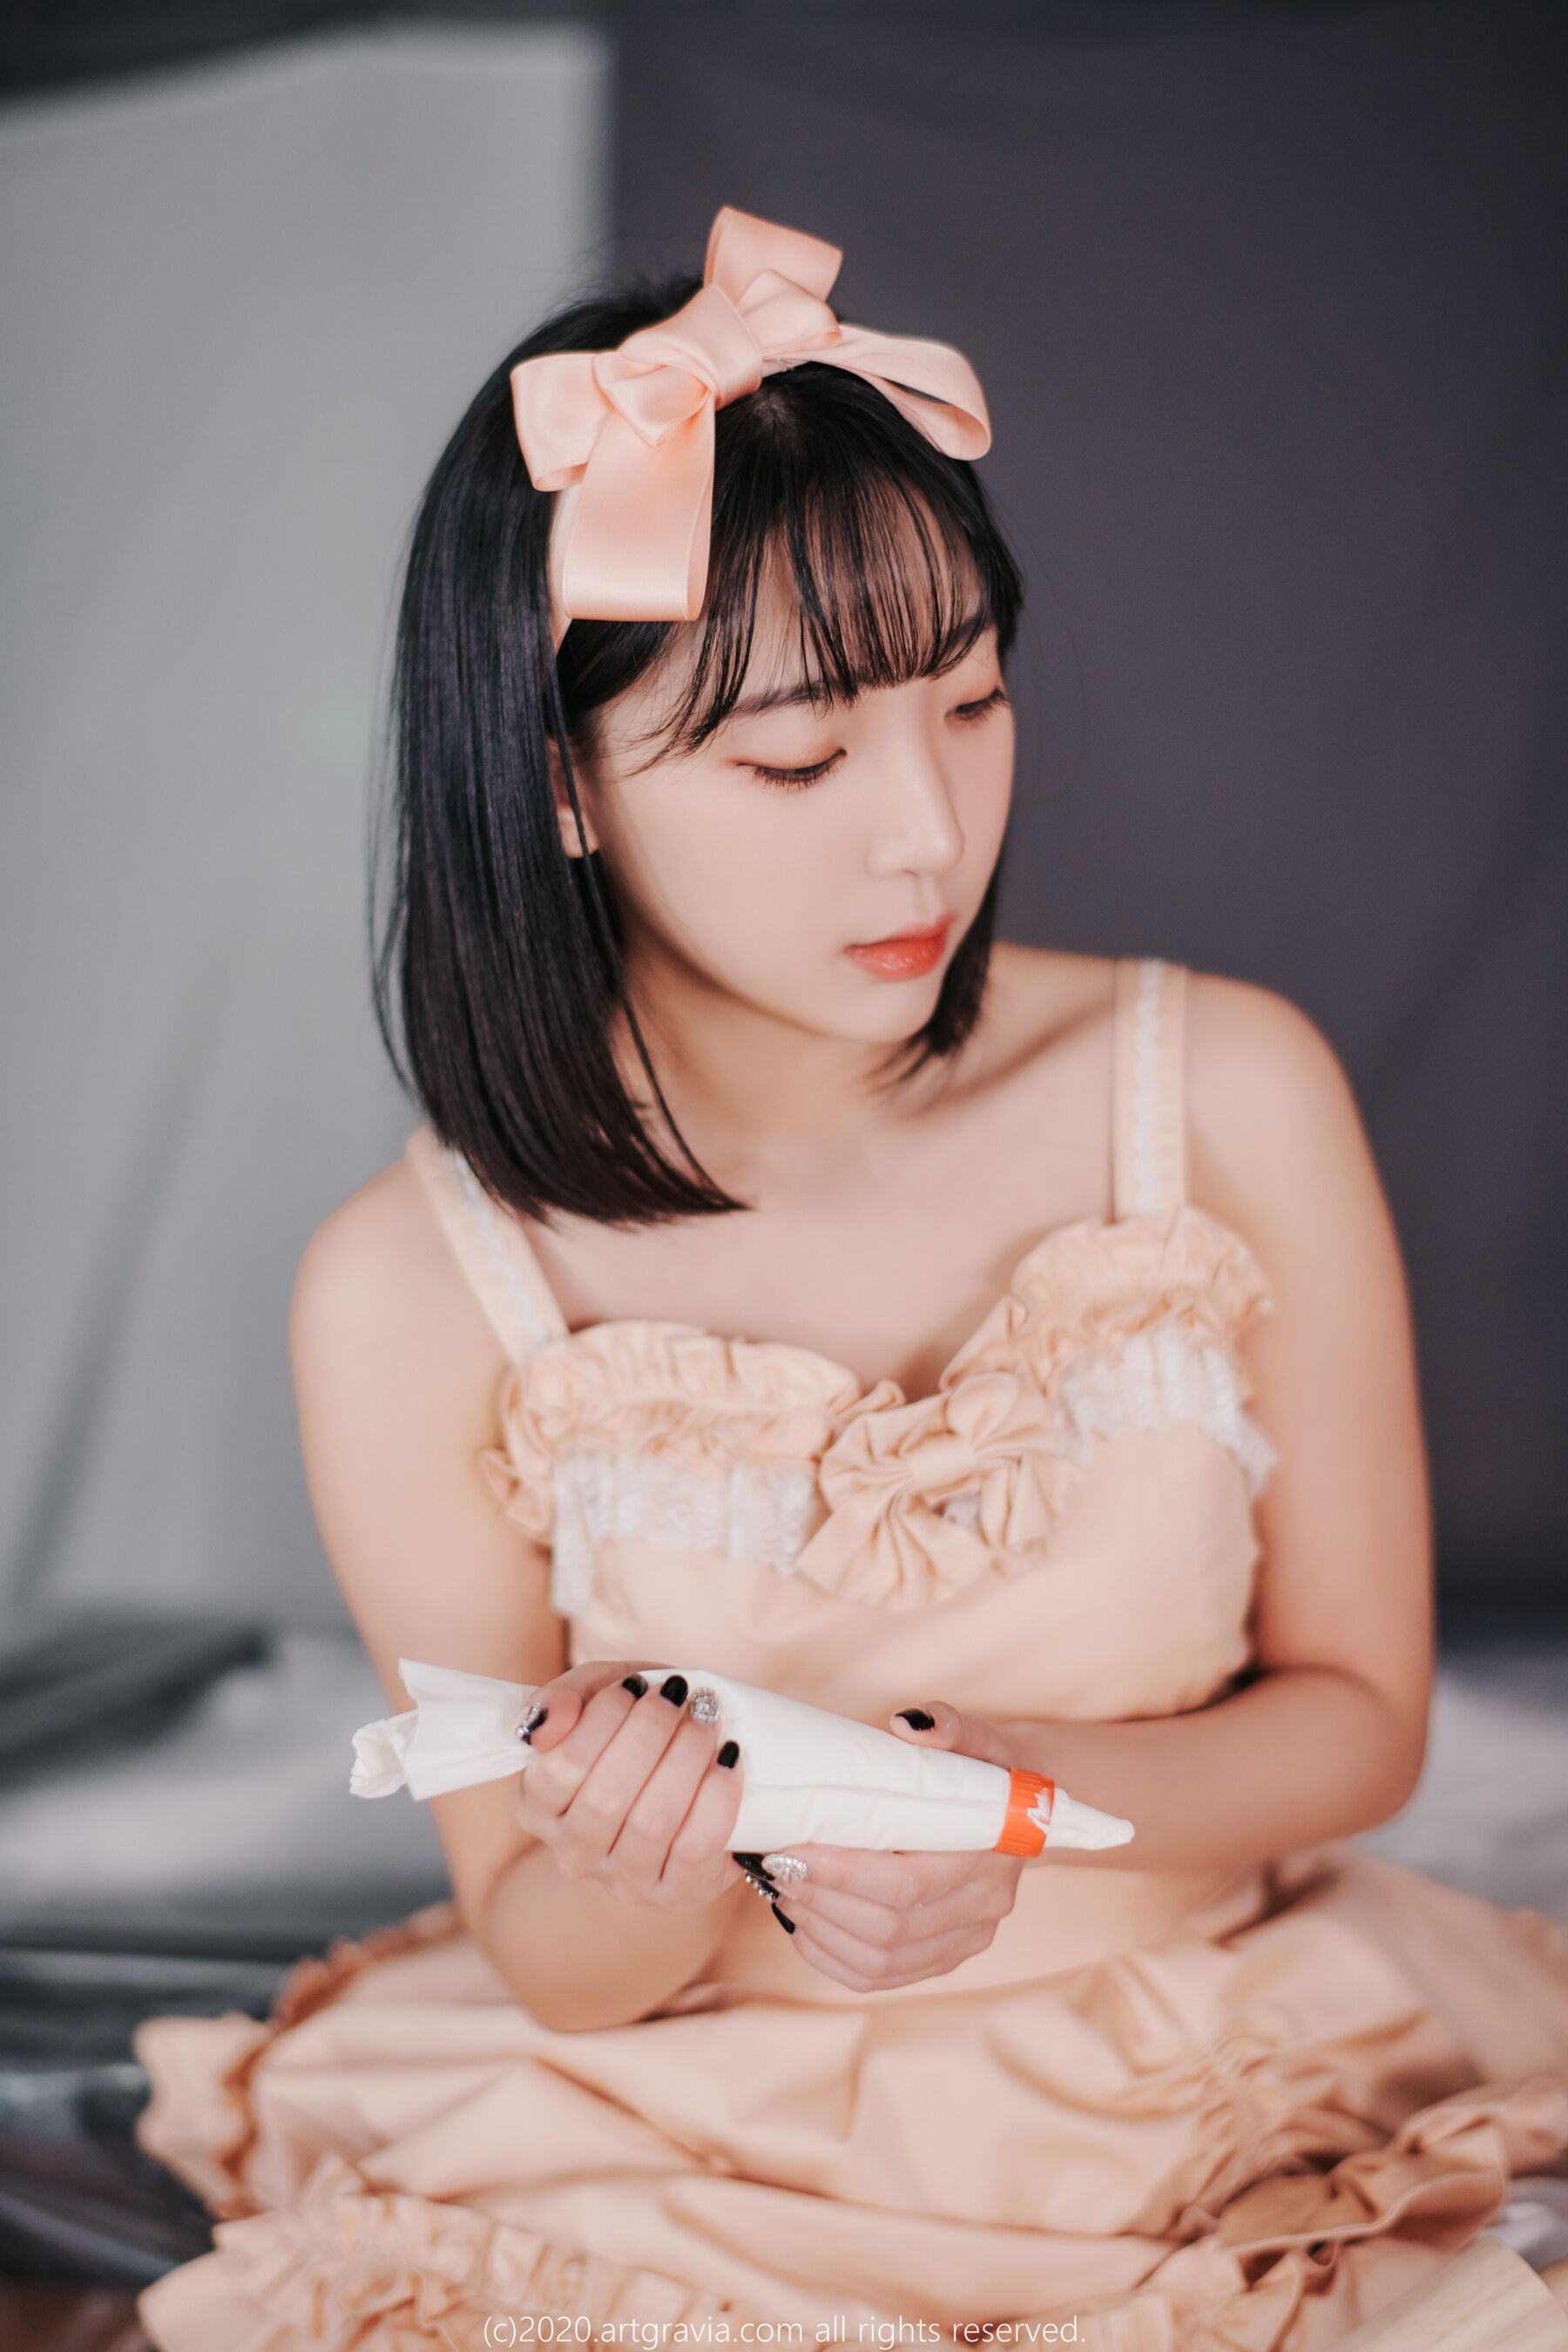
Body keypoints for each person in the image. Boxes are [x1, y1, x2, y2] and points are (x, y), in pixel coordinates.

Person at [134, 210, 1568, 2352]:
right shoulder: (406, 1289)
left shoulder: (1223, 1086)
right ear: (558, 784)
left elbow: (1361, 1720)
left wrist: (1000, 1792)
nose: (926, 832)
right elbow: (545, 1953)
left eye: (972, 700)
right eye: (797, 759)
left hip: (1222, 2062)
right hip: (687, 2151)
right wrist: (645, 1859)